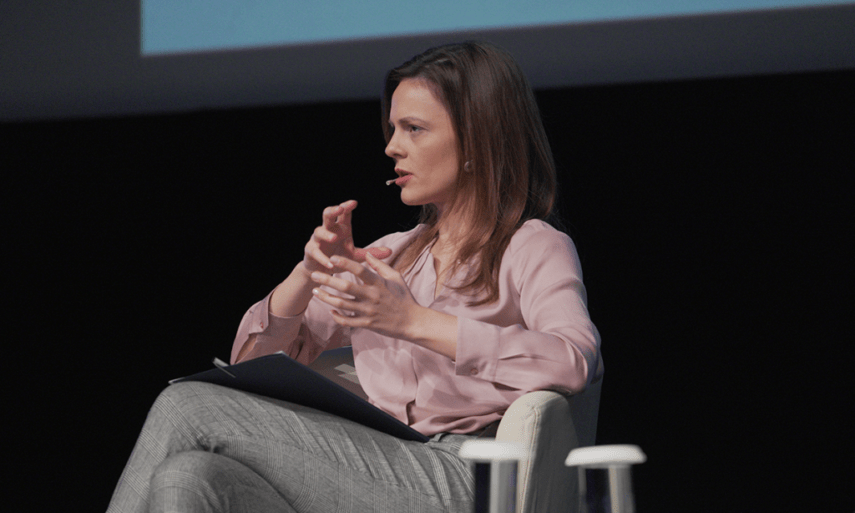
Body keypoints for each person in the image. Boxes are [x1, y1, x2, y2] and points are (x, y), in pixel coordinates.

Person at [107, 40, 602, 513]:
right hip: (377, 464)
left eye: (414, 129)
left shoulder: (531, 245)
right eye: (392, 129)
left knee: (186, 407)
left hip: (468, 475)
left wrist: (412, 321)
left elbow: (573, 360)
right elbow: (247, 375)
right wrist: (305, 276)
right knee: (189, 476)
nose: (392, 147)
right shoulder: (390, 254)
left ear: (476, 140)